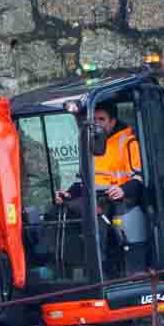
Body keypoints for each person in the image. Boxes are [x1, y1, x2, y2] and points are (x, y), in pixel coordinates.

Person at [53, 100, 150, 272]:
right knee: (57, 214)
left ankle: (105, 270)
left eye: (101, 119)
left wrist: (122, 190)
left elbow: (139, 179)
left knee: (101, 222)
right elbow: (84, 181)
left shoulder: (127, 143)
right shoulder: (91, 143)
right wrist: (67, 194)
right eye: (94, 119)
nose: (96, 123)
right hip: (95, 203)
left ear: (112, 122)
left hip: (122, 203)